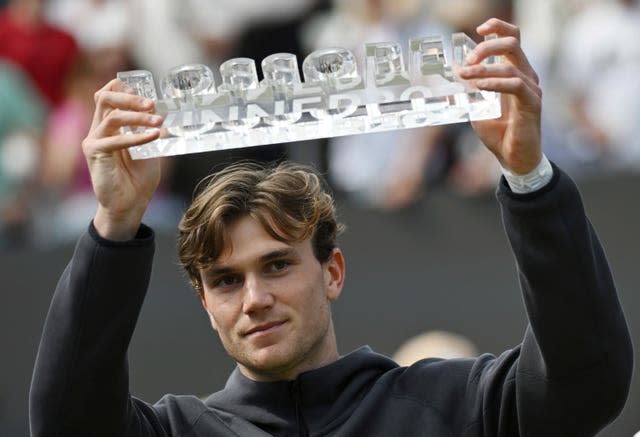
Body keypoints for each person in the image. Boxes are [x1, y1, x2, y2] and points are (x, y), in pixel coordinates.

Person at [30, 18, 633, 436]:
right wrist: (114, 223)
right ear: (205, 303)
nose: (256, 299)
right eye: (225, 280)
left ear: (334, 271)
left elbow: (587, 378)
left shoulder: (460, 406)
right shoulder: (177, 431)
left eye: (277, 263)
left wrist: (529, 177)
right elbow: (65, 424)